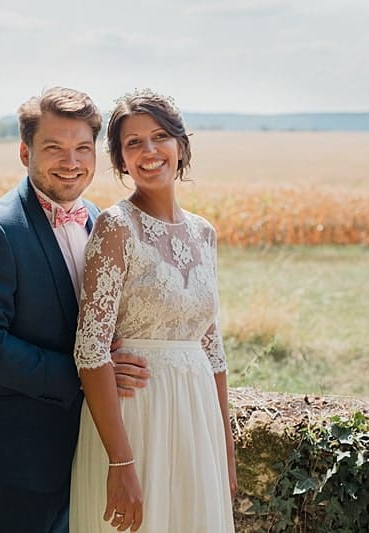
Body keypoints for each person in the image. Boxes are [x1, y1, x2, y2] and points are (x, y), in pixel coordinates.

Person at [0, 87, 149, 533]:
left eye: (82, 148)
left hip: (88, 448)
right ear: (25, 152)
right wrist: (86, 374)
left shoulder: (98, 219)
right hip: (18, 453)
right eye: (54, 148)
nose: (71, 161)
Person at [69, 90, 237, 532]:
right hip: (136, 419)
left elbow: (213, 349)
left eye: (160, 137)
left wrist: (226, 450)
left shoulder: (204, 234)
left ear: (181, 146)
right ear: (121, 160)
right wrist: (120, 462)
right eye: (133, 143)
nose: (149, 152)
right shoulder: (115, 227)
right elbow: (90, 352)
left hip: (196, 419)